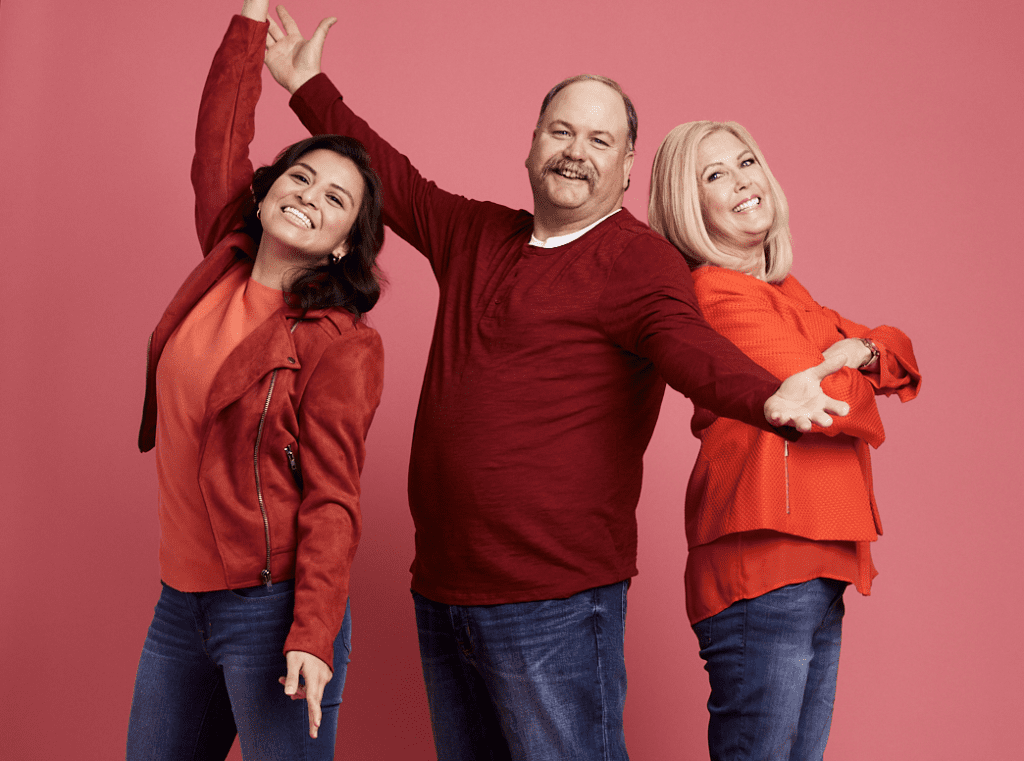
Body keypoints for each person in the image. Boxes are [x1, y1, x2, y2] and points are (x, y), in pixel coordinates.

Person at [259, 7, 850, 759]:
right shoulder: (474, 233)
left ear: (629, 165)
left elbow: (687, 345)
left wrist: (767, 396)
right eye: (561, 131)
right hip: (442, 592)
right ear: (533, 144)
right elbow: (392, 176)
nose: (576, 152)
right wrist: (307, 84)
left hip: (557, 605)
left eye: (600, 140)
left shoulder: (639, 262)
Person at [126, 2, 384, 758]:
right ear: (267, 189)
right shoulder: (223, 259)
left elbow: (335, 498)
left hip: (272, 611)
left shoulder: (341, 345)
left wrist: (311, 632)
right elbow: (219, 139)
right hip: (181, 601)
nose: (309, 195)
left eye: (336, 199)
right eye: (300, 177)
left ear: (343, 246)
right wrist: (248, 15)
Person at [648, 120, 921, 760]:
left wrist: (860, 349)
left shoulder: (784, 293)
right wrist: (850, 359)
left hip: (813, 561)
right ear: (691, 208)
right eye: (715, 175)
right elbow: (828, 403)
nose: (743, 181)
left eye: (746, 162)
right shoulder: (714, 296)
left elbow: (900, 353)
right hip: (765, 560)